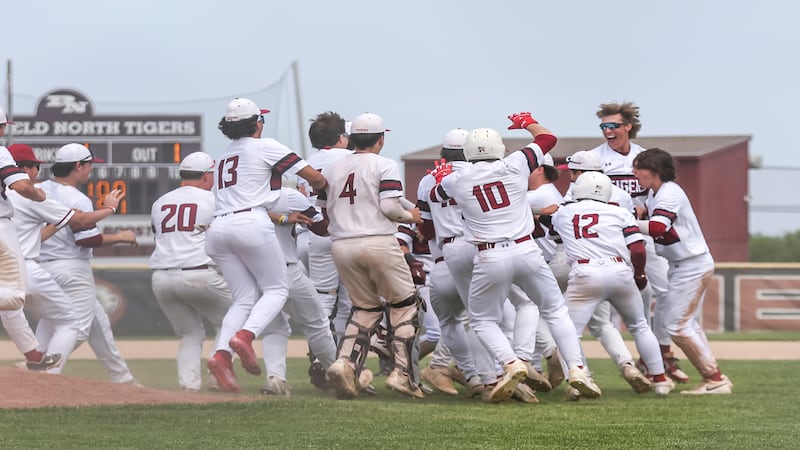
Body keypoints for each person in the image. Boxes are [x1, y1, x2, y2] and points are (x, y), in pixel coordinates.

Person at [429, 113, 601, 402]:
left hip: (489, 255)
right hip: (525, 249)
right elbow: (548, 139)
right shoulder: (516, 163)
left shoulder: (458, 180)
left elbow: (436, 194)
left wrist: (442, 175)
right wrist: (527, 122)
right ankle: (578, 369)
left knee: (483, 320)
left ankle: (511, 363)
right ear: (499, 148)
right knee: (555, 311)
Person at [204, 98, 327, 393]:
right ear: (257, 123)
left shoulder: (221, 156)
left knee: (245, 299)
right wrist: (323, 186)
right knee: (277, 289)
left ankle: (222, 354)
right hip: (250, 222)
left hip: (218, 228)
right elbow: (314, 178)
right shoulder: (264, 145)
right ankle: (245, 336)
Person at [320, 112, 424, 399]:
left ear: (351, 138)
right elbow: (390, 207)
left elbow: (322, 209)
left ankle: (345, 364)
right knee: (405, 306)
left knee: (365, 308)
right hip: (377, 240)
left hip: (341, 244)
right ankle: (403, 375)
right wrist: (411, 218)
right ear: (381, 139)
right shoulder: (384, 164)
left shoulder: (333, 168)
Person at [587, 101, 688, 384]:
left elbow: (658, 195)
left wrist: (647, 210)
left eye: (613, 125)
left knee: (665, 292)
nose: (608, 131)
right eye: (603, 126)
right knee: (628, 304)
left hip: (642, 235)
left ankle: (661, 353)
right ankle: (648, 357)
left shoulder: (645, 158)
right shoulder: (594, 159)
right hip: (609, 240)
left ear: (628, 126)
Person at [551, 171, 674, 398]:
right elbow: (637, 249)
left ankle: (578, 376)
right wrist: (639, 276)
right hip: (619, 271)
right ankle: (660, 379)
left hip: (585, 272)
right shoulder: (619, 212)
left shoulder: (564, 212)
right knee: (640, 325)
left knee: (569, 331)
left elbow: (554, 233)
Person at [7, 143, 118, 374]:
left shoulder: (3, 198)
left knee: (15, 315)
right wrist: (109, 209)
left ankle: (34, 359)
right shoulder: (31, 194)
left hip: (5, 274)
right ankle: (46, 375)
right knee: (69, 323)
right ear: (25, 169)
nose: (37, 171)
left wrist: (58, 224)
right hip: (28, 270)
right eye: (35, 165)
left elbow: (35, 235)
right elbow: (81, 223)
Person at [38, 143, 141, 385]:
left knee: (97, 322)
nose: (90, 171)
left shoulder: (39, 189)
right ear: (78, 166)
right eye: (89, 165)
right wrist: (122, 237)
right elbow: (88, 240)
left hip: (42, 266)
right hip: (72, 268)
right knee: (76, 329)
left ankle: (124, 381)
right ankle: (42, 372)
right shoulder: (77, 198)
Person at [632, 148, 732, 394]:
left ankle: (715, 379)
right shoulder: (656, 193)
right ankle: (714, 378)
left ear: (654, 170)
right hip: (683, 264)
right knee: (687, 324)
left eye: (638, 167)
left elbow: (657, 228)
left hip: (692, 264)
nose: (634, 172)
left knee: (677, 325)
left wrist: (626, 223)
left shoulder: (669, 194)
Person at [559, 150, 651, 393]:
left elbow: (555, 228)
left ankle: (579, 378)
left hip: (581, 265)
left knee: (563, 327)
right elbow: (635, 242)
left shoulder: (573, 193)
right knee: (606, 324)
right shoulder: (619, 196)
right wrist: (639, 274)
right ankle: (629, 365)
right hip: (617, 265)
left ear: (579, 173)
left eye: (572, 172)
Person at [149, 152, 232, 392]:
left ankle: (188, 386)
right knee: (234, 320)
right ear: (207, 176)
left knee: (190, 334)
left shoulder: (160, 202)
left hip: (161, 277)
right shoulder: (213, 200)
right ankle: (218, 374)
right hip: (198, 273)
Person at [299, 111, 354, 342]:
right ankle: (341, 356)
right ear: (341, 137)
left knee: (323, 298)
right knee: (350, 302)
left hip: (316, 234)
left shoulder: (306, 164)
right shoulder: (351, 158)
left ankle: (319, 353)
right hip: (348, 232)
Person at [0, 107, 46, 311]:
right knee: (17, 296)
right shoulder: (1, 152)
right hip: (1, 227)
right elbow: (20, 186)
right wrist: (38, 194)